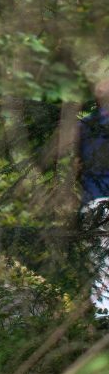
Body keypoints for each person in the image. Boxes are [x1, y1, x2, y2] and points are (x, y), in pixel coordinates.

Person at [77, 83, 109, 322]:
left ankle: (103, 321)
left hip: (93, 201)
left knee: (101, 267)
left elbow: (77, 164)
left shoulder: (83, 126)